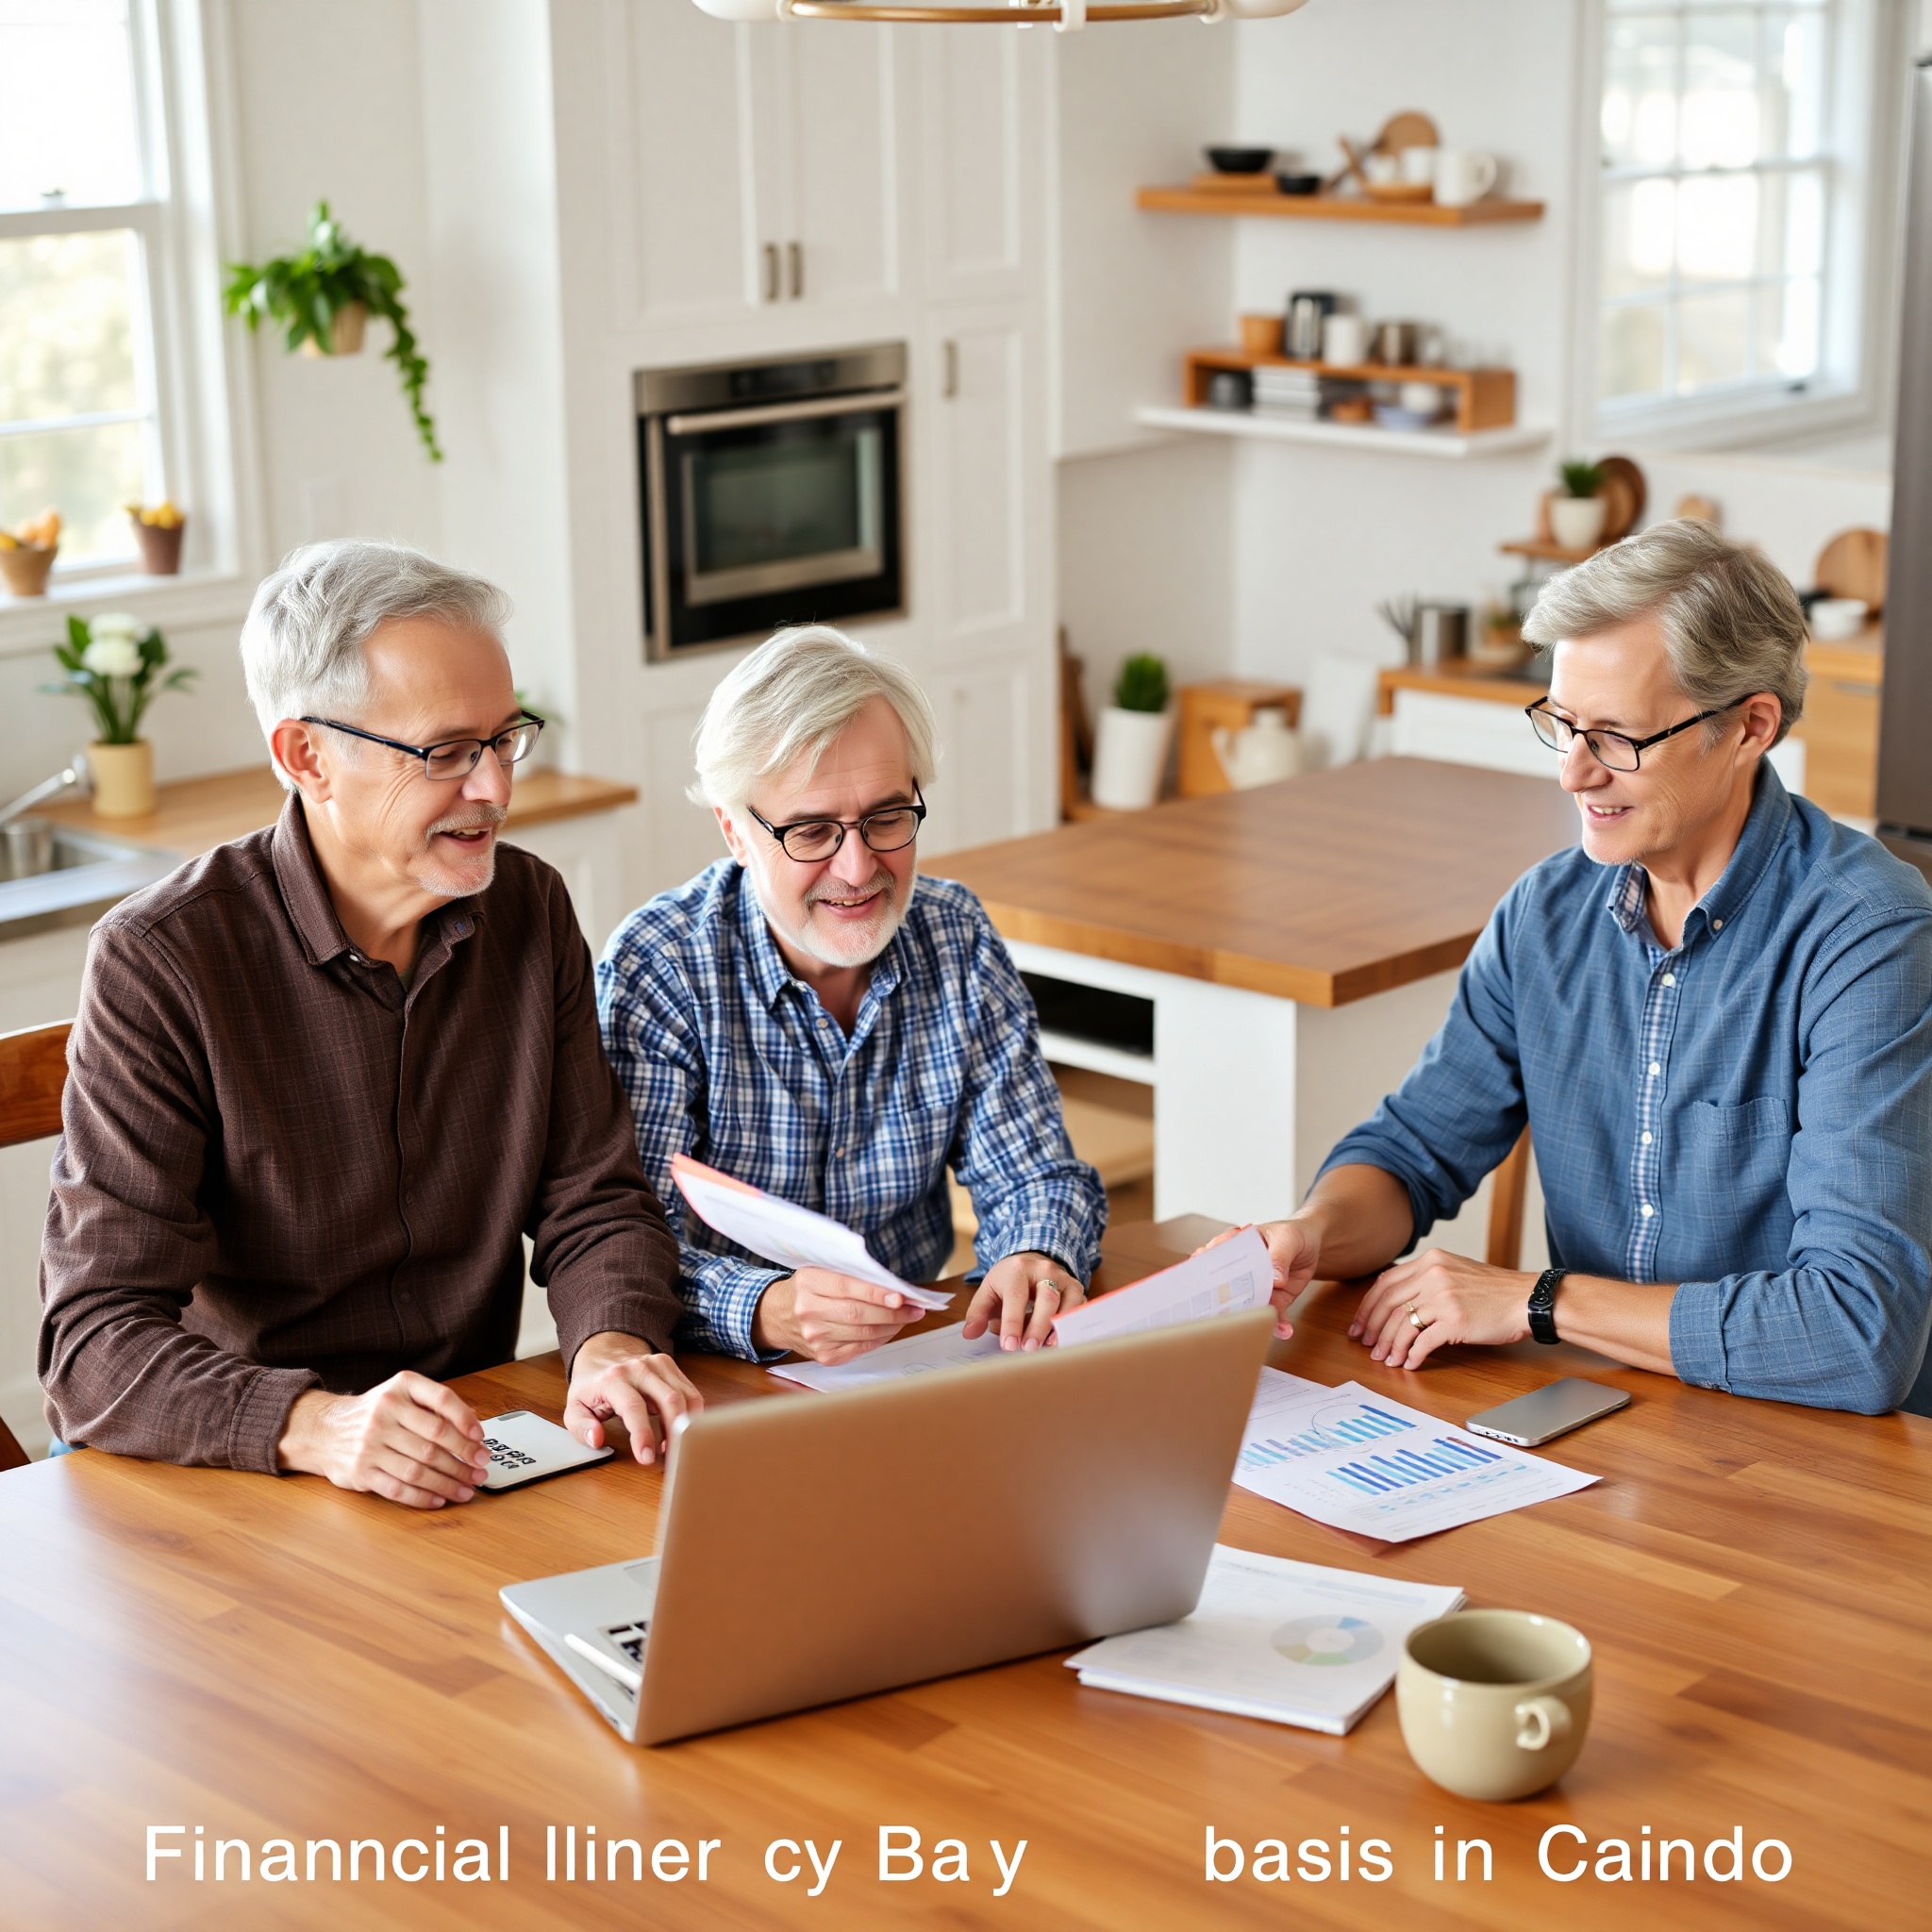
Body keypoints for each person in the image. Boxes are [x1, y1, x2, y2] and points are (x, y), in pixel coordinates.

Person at [39, 541, 701, 1504]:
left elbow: (591, 1196)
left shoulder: (530, 907)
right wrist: (319, 1425)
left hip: (461, 1461)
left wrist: (610, 1342)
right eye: (445, 752)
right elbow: (93, 1341)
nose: (494, 788)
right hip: (241, 1478)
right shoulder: (163, 958)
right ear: (308, 756)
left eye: (503, 737)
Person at [1242, 519, 1932, 1415]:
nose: (1573, 774)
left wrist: (1536, 1301)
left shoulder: (1869, 937)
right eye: (1562, 725)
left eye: (1615, 738)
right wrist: (1310, 1234)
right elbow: (1411, 1154)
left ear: (1749, 727)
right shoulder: (1546, 914)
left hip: (1809, 1453)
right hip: (1602, 1414)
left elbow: (1855, 1336)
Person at [597, 625, 1106, 1366]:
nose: (859, 866)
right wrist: (767, 1309)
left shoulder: (953, 934)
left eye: (886, 816)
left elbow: (1034, 1173)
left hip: (913, 1361)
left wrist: (1037, 1253)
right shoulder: (661, 966)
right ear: (735, 832)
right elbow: (623, 1249)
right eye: (810, 831)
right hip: (718, 1381)